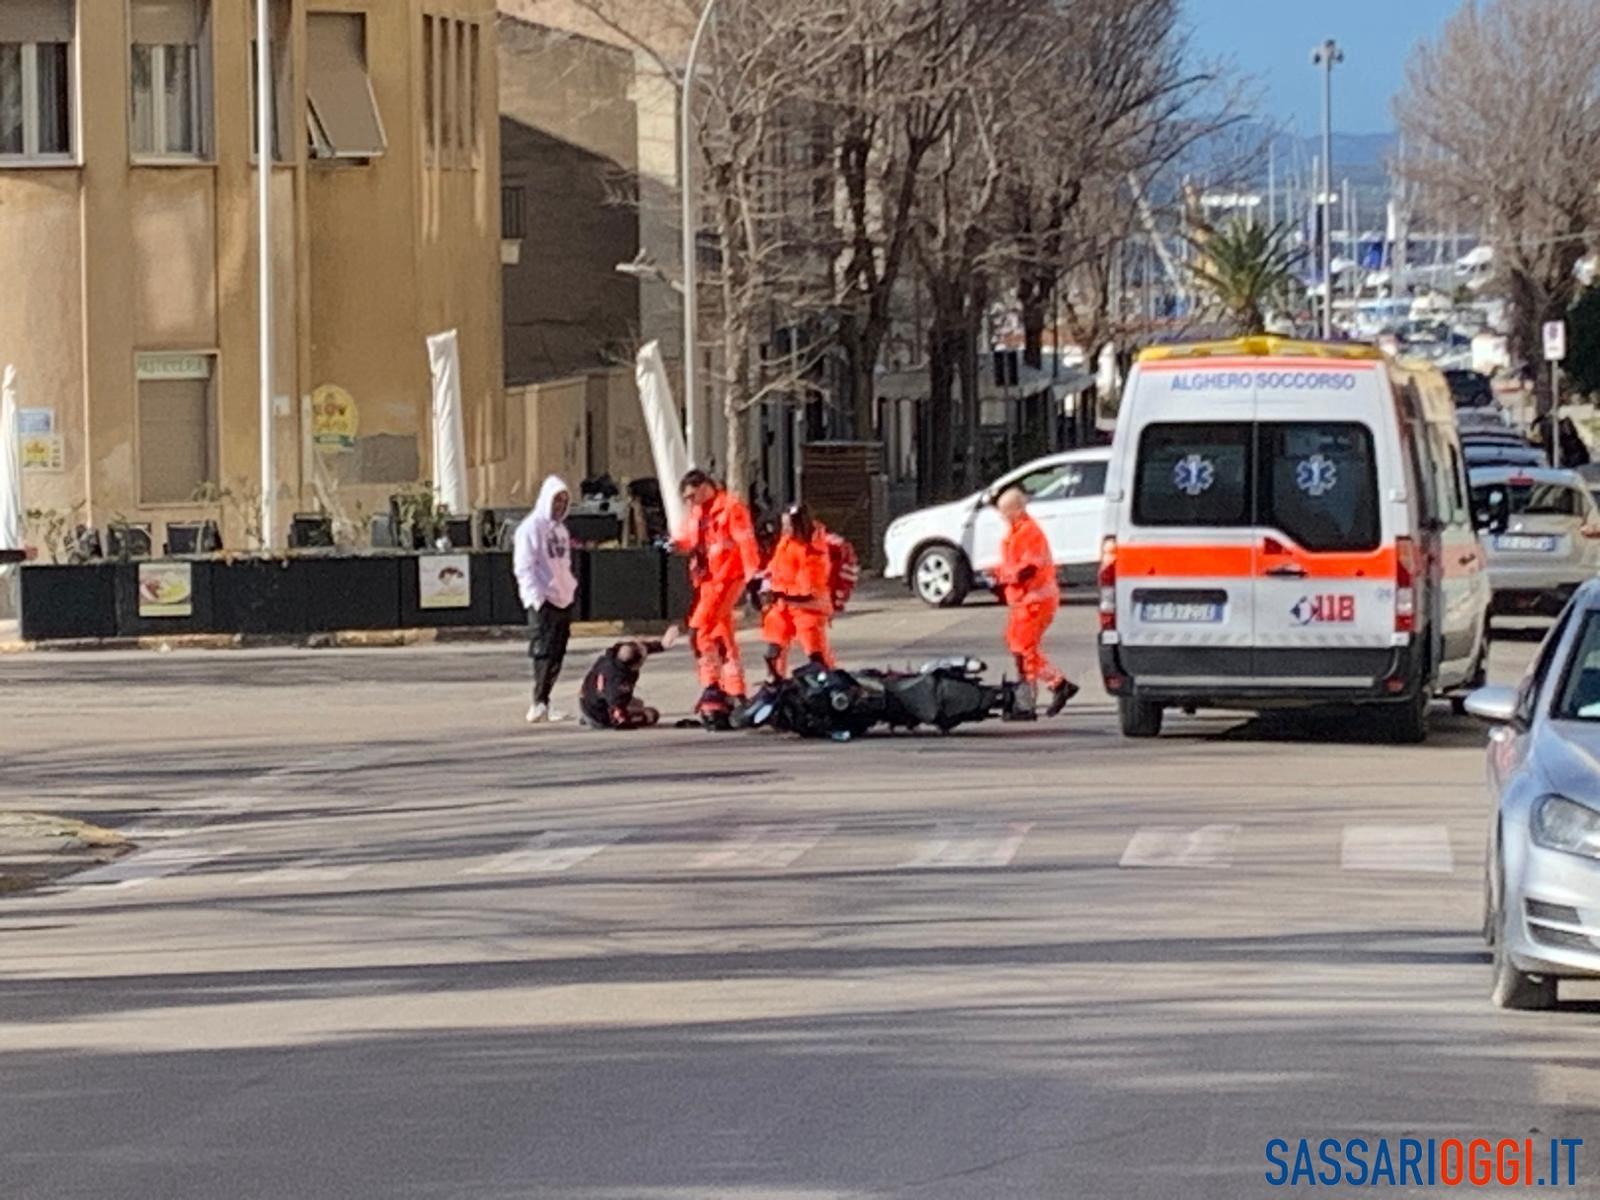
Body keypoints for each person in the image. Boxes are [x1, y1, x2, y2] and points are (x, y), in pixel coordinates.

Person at [673, 469, 760, 714]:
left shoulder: (731, 509)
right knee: (723, 635)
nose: (689, 502)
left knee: (700, 632)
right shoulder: (699, 512)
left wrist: (753, 575)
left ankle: (711, 685)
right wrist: (676, 543)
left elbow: (746, 543)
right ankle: (735, 690)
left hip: (726, 577)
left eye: (691, 496)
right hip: (708, 580)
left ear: (704, 487)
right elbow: (692, 539)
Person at [993, 487, 1077, 720]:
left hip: (1035, 600)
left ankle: (1028, 702)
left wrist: (1003, 577)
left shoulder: (1029, 532)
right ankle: (1056, 685)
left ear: (1018, 510)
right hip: (1025, 600)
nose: (1003, 517)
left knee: (1023, 651)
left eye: (1005, 512)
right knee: (1017, 646)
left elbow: (1028, 569)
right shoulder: (1016, 532)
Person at [514, 475, 578, 724]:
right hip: (543, 599)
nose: (560, 505)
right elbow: (524, 566)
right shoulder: (530, 528)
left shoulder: (561, 530)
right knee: (543, 651)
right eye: (556, 500)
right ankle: (537, 701)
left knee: (558, 652)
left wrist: (569, 589)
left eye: (564, 500)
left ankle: (545, 701)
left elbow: (564, 563)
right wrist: (534, 597)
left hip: (562, 597)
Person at [761, 504, 835, 680]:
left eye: (788, 525)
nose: (784, 529)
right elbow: (777, 566)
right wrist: (766, 581)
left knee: (815, 652)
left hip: (808, 607)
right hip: (783, 604)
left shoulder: (812, 551)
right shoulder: (787, 541)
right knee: (774, 648)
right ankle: (775, 683)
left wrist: (779, 593)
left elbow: (807, 590)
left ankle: (828, 682)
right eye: (783, 525)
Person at [579, 625, 681, 729]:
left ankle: (591, 712)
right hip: (601, 715)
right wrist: (628, 720)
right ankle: (593, 719)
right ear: (635, 665)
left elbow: (637, 649)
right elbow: (618, 715)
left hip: (588, 700)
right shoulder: (619, 684)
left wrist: (662, 645)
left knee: (638, 703)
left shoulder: (611, 657)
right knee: (652, 714)